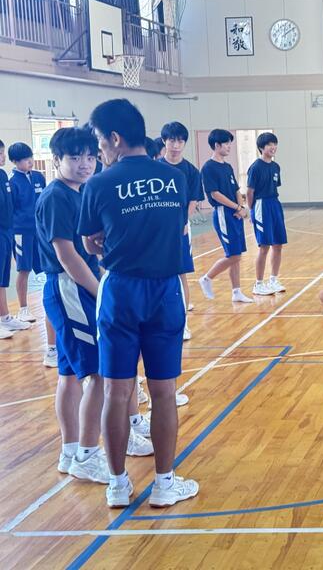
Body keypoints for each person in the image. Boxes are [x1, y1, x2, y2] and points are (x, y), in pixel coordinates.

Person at [79, 98, 198, 509]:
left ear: (114, 137)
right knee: (164, 392)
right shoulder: (175, 178)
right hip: (165, 291)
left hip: (120, 291)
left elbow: (89, 242)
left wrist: (110, 241)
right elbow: (177, 228)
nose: (99, 150)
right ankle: (164, 484)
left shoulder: (98, 184)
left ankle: (116, 485)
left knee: (116, 391)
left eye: (100, 141)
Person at [36, 127, 110, 483]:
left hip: (77, 288)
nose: (85, 164)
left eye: (90, 157)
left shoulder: (81, 192)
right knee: (97, 374)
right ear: (57, 160)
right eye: (75, 157)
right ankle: (87, 455)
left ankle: (70, 450)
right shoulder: (56, 197)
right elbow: (67, 257)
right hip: (71, 289)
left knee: (68, 375)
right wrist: (101, 292)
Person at [8, 141, 59, 362]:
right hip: (21, 231)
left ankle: (48, 302)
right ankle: (23, 308)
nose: (29, 162)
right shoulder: (13, 182)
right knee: (24, 269)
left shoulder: (38, 177)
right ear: (15, 162)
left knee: (46, 269)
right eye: (24, 159)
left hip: (40, 231)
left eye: (30, 157)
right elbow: (10, 210)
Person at [198, 129, 253, 303]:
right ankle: (206, 278)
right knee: (233, 255)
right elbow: (215, 194)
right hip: (223, 213)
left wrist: (241, 207)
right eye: (226, 143)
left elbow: (236, 189)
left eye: (230, 143)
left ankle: (236, 292)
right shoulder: (208, 168)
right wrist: (236, 207)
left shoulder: (228, 167)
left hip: (235, 213)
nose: (229, 146)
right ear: (217, 145)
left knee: (236, 254)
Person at [160, 121, 204, 339]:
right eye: (172, 140)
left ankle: (183, 323)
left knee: (180, 275)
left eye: (180, 141)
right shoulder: (154, 167)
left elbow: (193, 200)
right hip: (156, 231)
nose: (176, 145)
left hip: (180, 230)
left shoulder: (191, 171)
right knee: (156, 275)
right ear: (164, 141)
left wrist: (182, 223)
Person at [246, 132, 286, 296]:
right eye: (269, 144)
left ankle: (273, 280)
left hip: (274, 204)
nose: (273, 147)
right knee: (264, 246)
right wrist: (251, 210)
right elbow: (250, 192)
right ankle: (258, 284)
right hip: (261, 205)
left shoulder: (276, 167)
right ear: (261, 147)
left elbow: (275, 187)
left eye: (274, 144)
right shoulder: (255, 167)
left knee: (278, 244)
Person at [0, 139, 30, 338]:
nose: (3, 157)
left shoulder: (2, 175)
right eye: (0, 153)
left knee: (3, 277)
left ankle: (4, 317)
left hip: (6, 231)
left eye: (2, 152)